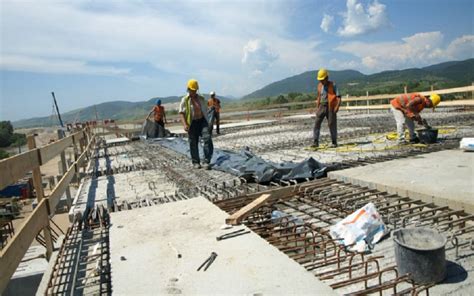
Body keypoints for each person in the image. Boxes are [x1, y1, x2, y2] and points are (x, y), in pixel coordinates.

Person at [179, 79, 214, 170]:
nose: (194, 92)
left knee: (207, 138)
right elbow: (181, 113)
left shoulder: (201, 98)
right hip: (192, 123)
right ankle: (196, 162)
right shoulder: (185, 100)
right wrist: (185, 124)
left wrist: (209, 121)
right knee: (193, 143)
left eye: (195, 90)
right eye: (192, 90)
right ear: (188, 89)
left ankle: (206, 161)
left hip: (202, 121)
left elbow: (206, 110)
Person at [312, 68, 342, 148]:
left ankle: (334, 142)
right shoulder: (319, 86)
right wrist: (317, 108)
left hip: (331, 107)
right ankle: (315, 142)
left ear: (327, 78)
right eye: (320, 80)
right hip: (322, 106)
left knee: (331, 124)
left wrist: (337, 107)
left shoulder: (333, 85)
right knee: (316, 124)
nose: (321, 81)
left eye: (322, 79)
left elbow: (339, 97)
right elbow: (318, 97)